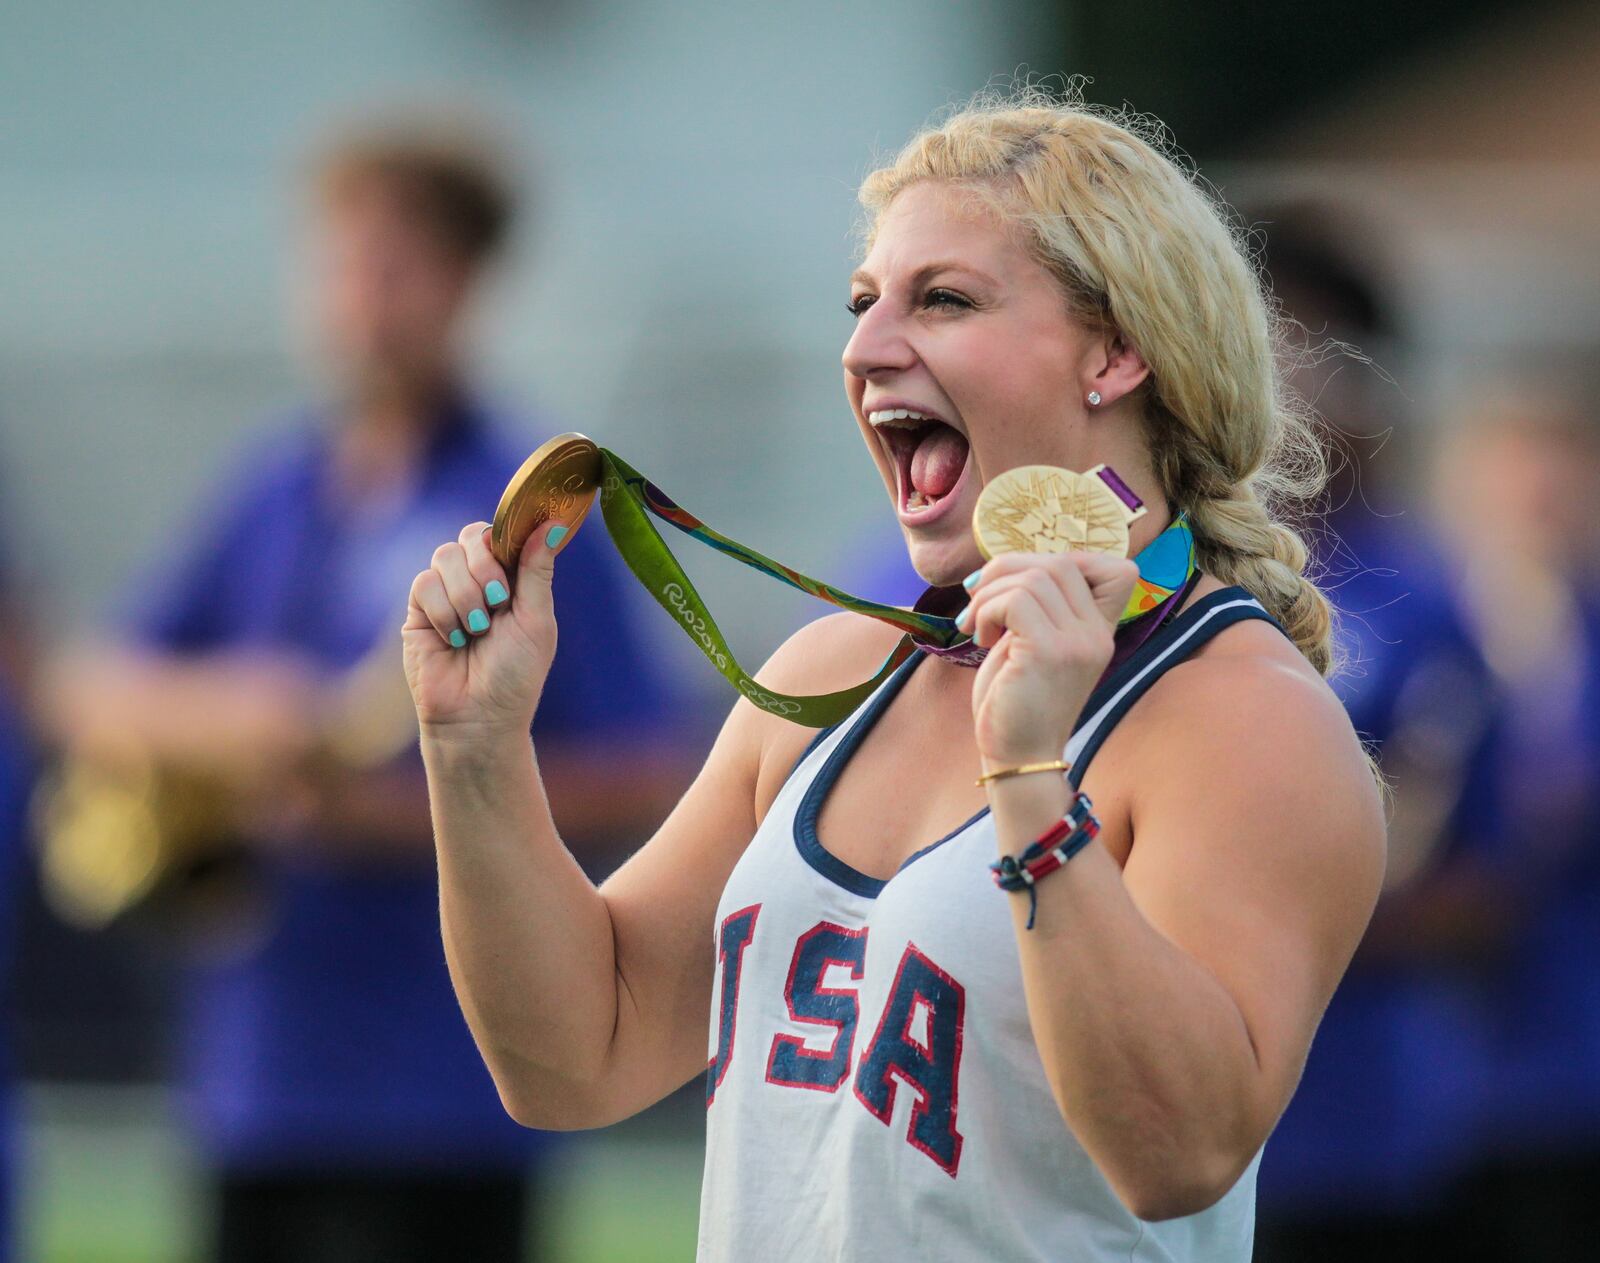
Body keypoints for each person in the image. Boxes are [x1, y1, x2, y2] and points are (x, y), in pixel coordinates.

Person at [404, 92, 1384, 1260]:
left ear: (1119, 351)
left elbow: (1176, 1158)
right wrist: (474, 753)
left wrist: (1028, 779)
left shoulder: (1249, 717)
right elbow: (580, 1057)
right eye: (864, 304)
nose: (864, 348)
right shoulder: (837, 671)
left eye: (944, 301)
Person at [43, 114, 683, 1262]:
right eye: (342, 261)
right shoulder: (277, 484)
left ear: (467, 282)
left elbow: (649, 767)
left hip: (447, 1096)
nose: (362, 296)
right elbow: (88, 682)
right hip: (257, 1084)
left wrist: (394, 812)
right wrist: (236, 711)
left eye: (397, 264)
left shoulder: (528, 499)